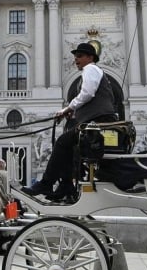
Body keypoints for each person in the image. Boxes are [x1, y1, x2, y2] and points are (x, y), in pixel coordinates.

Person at [22, 42, 117, 201]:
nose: (76, 60)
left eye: (79, 56)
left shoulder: (91, 69)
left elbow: (87, 93)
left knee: (62, 142)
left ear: (90, 57)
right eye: (75, 57)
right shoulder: (93, 71)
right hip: (97, 121)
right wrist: (72, 113)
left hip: (98, 122)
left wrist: (68, 108)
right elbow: (90, 99)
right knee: (68, 145)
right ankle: (66, 185)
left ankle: (47, 183)